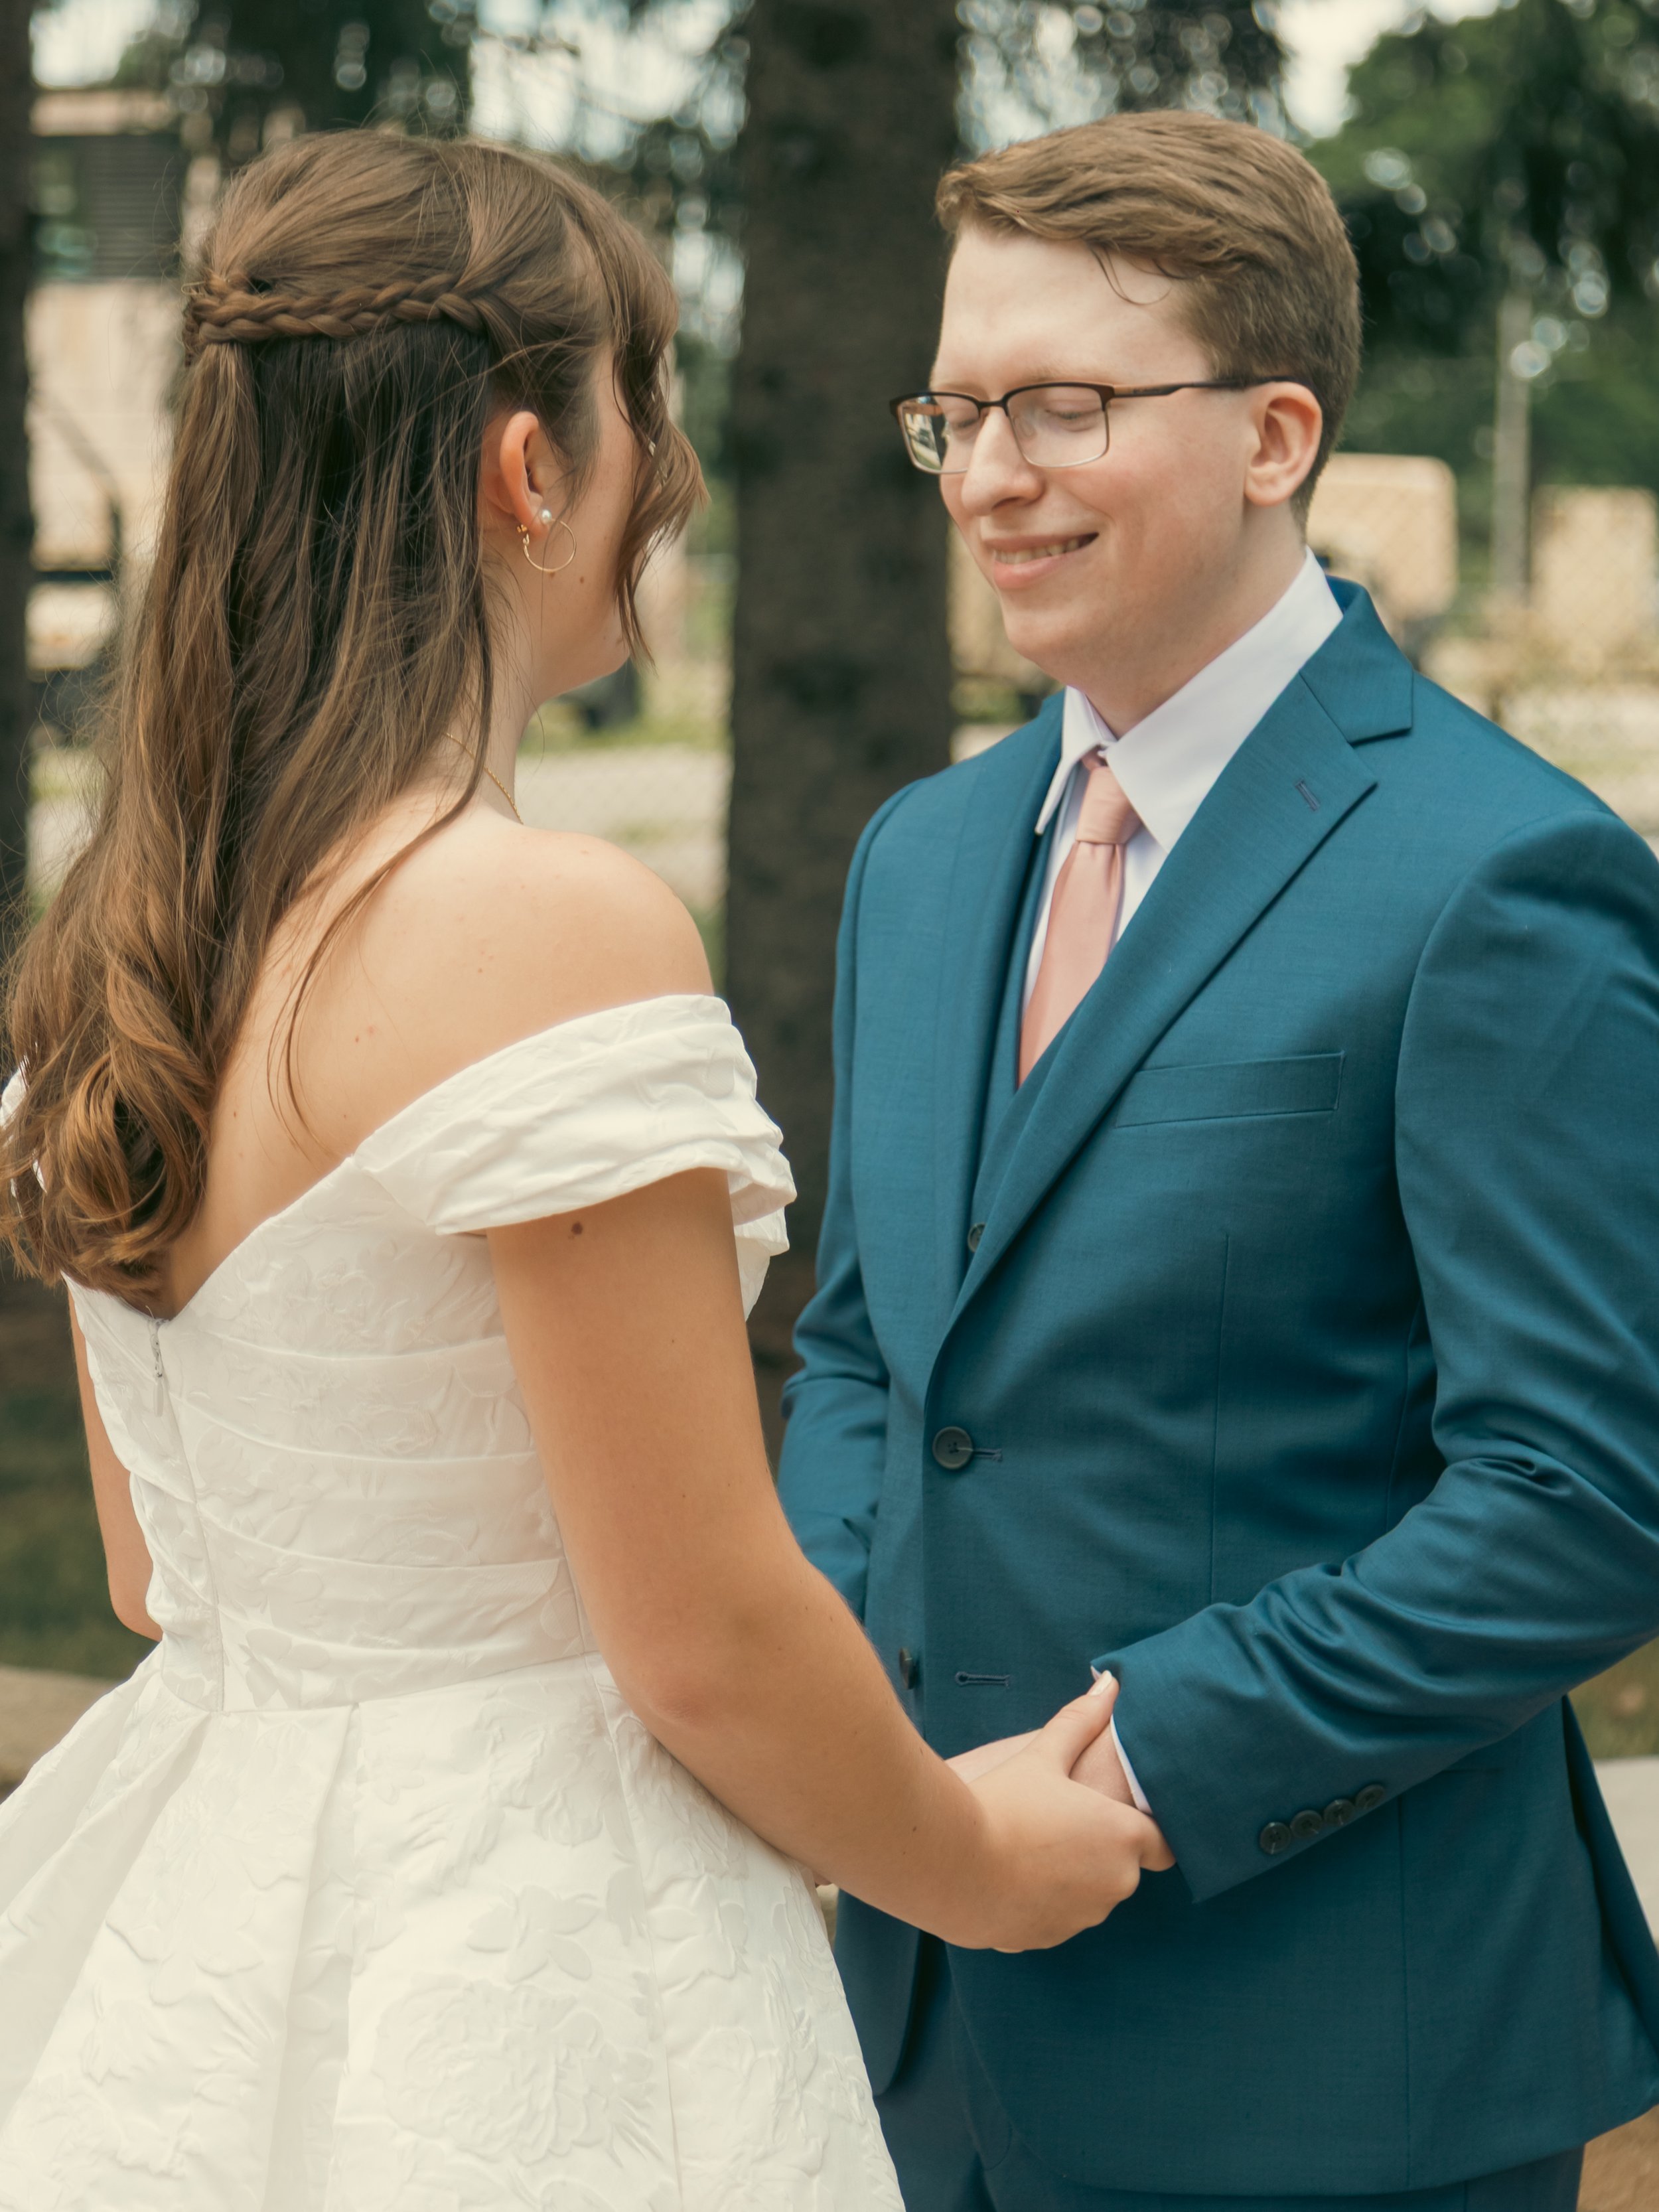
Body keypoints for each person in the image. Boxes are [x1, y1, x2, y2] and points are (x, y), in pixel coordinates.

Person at [0, 131, 1167, 2209]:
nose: (670, 480)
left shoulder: (131, 939)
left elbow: (156, 1575)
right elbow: (699, 1630)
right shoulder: (532, 923)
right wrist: (978, 1859)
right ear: (530, 469)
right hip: (514, 1956)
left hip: (207, 1898)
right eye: (649, 410)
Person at [778, 109, 1659, 2212]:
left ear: (1274, 434)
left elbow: (1584, 1500)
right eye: (958, 411)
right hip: (911, 2033)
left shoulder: (1505, 873)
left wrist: (1141, 1761)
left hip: (1326, 2068)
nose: (989, 475)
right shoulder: (921, 853)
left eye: (1063, 407)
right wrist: (832, 1717)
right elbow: (866, 1360)